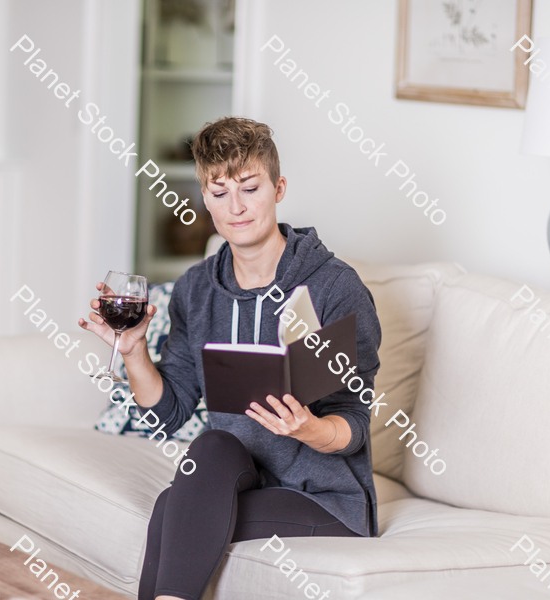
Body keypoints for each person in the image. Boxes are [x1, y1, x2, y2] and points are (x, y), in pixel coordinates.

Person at [78, 116, 381, 600]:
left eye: (249, 188)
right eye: (219, 194)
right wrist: (134, 353)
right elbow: (170, 413)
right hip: (238, 478)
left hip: (324, 499)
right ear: (204, 198)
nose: (236, 208)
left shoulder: (333, 287)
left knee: (172, 509)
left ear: (278, 188)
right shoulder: (196, 288)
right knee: (212, 446)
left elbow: (355, 421)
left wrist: (308, 428)